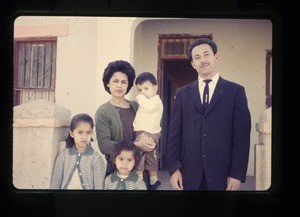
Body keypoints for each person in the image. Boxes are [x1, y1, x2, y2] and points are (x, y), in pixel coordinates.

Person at [166, 38, 251, 191]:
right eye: (197, 57)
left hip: (223, 174)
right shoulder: (183, 94)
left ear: (216, 57)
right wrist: (174, 168)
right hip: (189, 173)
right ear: (193, 64)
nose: (202, 60)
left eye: (206, 55)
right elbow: (174, 135)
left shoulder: (235, 91)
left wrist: (236, 173)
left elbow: (242, 137)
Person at [94, 60, 156, 180]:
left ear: (128, 85)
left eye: (124, 82)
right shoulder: (103, 111)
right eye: (115, 81)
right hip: (117, 171)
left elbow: (150, 127)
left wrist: (153, 143)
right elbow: (104, 145)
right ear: (108, 83)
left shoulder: (137, 106)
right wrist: (136, 145)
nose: (119, 85)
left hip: (141, 169)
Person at [51, 113, 106, 190]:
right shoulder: (63, 156)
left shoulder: (96, 159)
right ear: (72, 133)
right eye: (80, 132)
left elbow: (99, 189)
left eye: (88, 132)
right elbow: (55, 185)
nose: (84, 137)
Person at [133, 72, 163, 190]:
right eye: (140, 90)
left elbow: (148, 108)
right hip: (146, 131)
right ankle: (153, 179)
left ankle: (139, 177)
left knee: (139, 152)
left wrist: (140, 97)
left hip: (147, 131)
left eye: (146, 88)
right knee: (149, 155)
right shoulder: (147, 101)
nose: (143, 92)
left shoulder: (155, 100)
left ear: (155, 88)